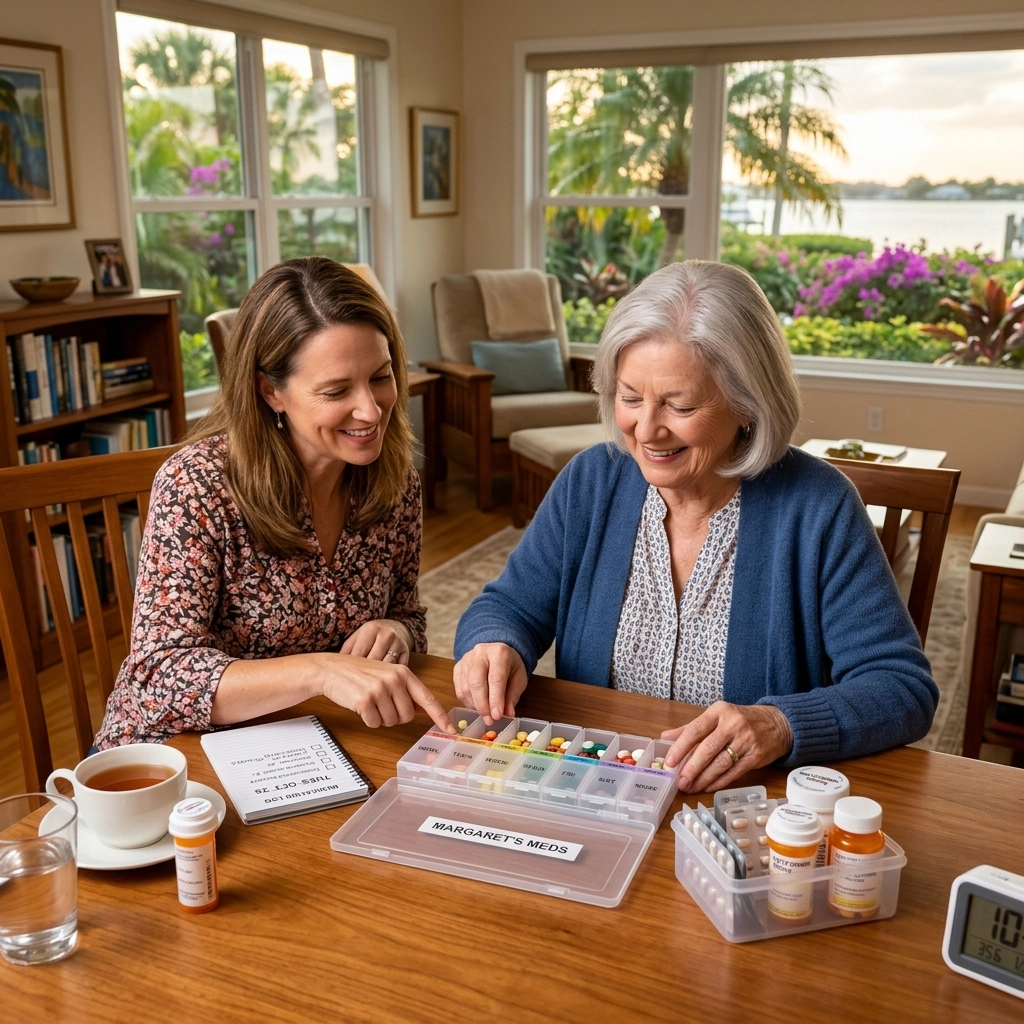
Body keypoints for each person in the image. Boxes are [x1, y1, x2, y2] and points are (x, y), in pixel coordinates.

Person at [453, 260, 937, 792]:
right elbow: (509, 606)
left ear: (748, 404)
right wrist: (494, 644)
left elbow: (901, 687)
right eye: (630, 398)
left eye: (678, 405)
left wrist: (780, 725)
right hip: (597, 789)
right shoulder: (592, 481)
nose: (647, 429)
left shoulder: (818, 507)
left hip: (745, 806)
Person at [95, 257, 454, 747]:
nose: (371, 410)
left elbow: (408, 612)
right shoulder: (197, 486)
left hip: (312, 743)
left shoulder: (395, 482)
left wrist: (397, 629)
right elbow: (161, 674)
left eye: (381, 376)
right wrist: (321, 672)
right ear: (270, 391)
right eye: (335, 390)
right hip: (173, 759)